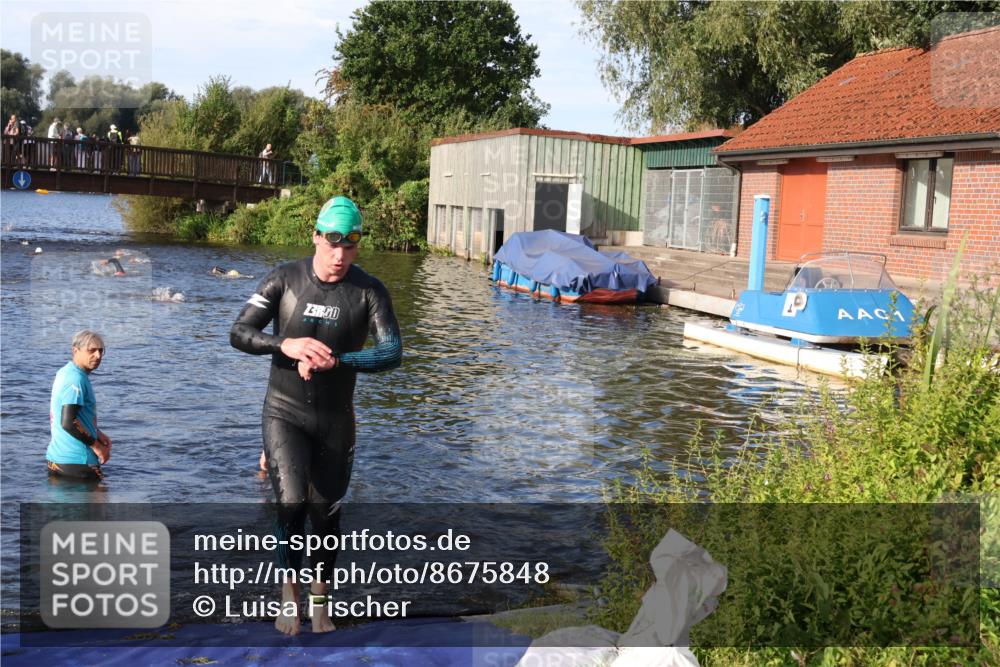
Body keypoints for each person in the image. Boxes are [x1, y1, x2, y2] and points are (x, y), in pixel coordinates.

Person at [230, 196, 402, 635]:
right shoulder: (284, 279)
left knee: (326, 513)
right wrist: (282, 345)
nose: (340, 256)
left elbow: (392, 352)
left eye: (350, 246)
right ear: (316, 237)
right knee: (291, 505)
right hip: (283, 411)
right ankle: (289, 597)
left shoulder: (369, 291)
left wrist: (340, 361)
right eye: (332, 244)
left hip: (335, 418)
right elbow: (239, 331)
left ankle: (320, 603)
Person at [46, 330, 112, 479]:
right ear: (75, 351)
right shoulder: (75, 379)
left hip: (57, 460)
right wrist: (97, 446)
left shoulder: (65, 372)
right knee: (99, 501)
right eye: (92, 350)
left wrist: (97, 432)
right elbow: (68, 422)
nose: (98, 355)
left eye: (101, 351)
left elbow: (72, 416)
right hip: (78, 462)